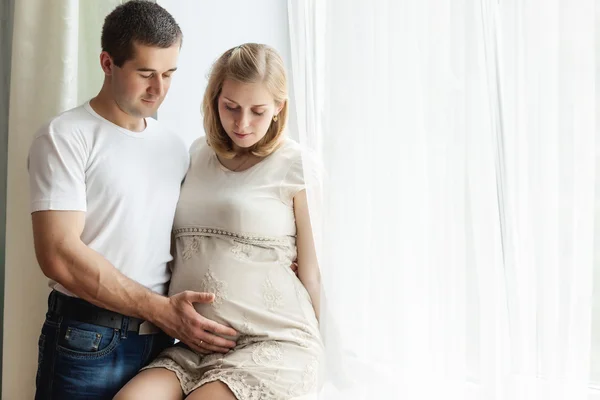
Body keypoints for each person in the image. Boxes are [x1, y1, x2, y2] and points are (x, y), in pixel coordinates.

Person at [28, 2, 238, 399]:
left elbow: (188, 237)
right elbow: (58, 254)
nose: (158, 88)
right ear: (108, 63)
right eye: (145, 73)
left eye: (169, 74)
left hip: (164, 348)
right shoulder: (64, 137)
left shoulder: (176, 147)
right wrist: (161, 311)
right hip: (86, 341)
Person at [115, 43, 325, 400]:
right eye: (231, 107)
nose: (242, 123)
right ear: (215, 101)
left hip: (274, 341)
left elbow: (314, 273)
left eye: (257, 111)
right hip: (194, 346)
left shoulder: (298, 165)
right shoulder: (196, 154)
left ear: (278, 107)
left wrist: (324, 360)